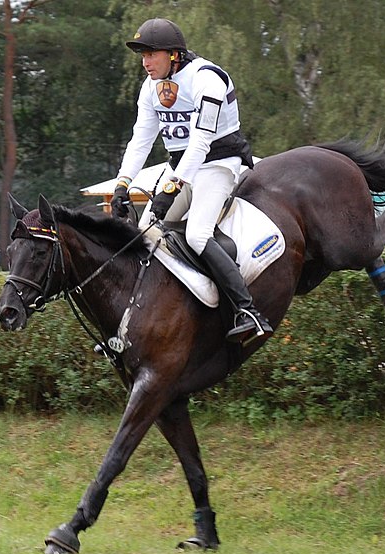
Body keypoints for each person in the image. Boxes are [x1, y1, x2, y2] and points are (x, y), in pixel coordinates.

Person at [111, 17, 272, 344]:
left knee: (198, 234)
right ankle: (142, 323)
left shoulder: (206, 79)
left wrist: (173, 186)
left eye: (150, 54)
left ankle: (248, 311)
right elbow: (141, 140)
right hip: (183, 165)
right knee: (145, 235)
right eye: (142, 55)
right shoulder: (150, 88)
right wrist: (122, 183)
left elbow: (201, 141)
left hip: (219, 163)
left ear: (173, 54)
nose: (145, 63)